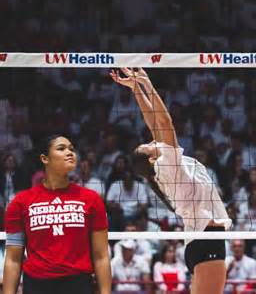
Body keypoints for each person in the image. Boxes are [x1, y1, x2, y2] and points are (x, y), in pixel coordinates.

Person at [111, 68, 231, 294]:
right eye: (149, 145)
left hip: (200, 240)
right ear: (151, 157)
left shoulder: (162, 167)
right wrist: (148, 83)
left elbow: (153, 123)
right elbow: (165, 121)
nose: (152, 140)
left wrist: (136, 88)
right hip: (207, 241)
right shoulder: (168, 164)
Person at [3, 135, 111, 294]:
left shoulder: (92, 199)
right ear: (45, 159)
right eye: (61, 149)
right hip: (37, 285)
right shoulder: (20, 202)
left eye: (72, 149)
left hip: (78, 283)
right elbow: (13, 259)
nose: (70, 153)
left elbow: (101, 256)